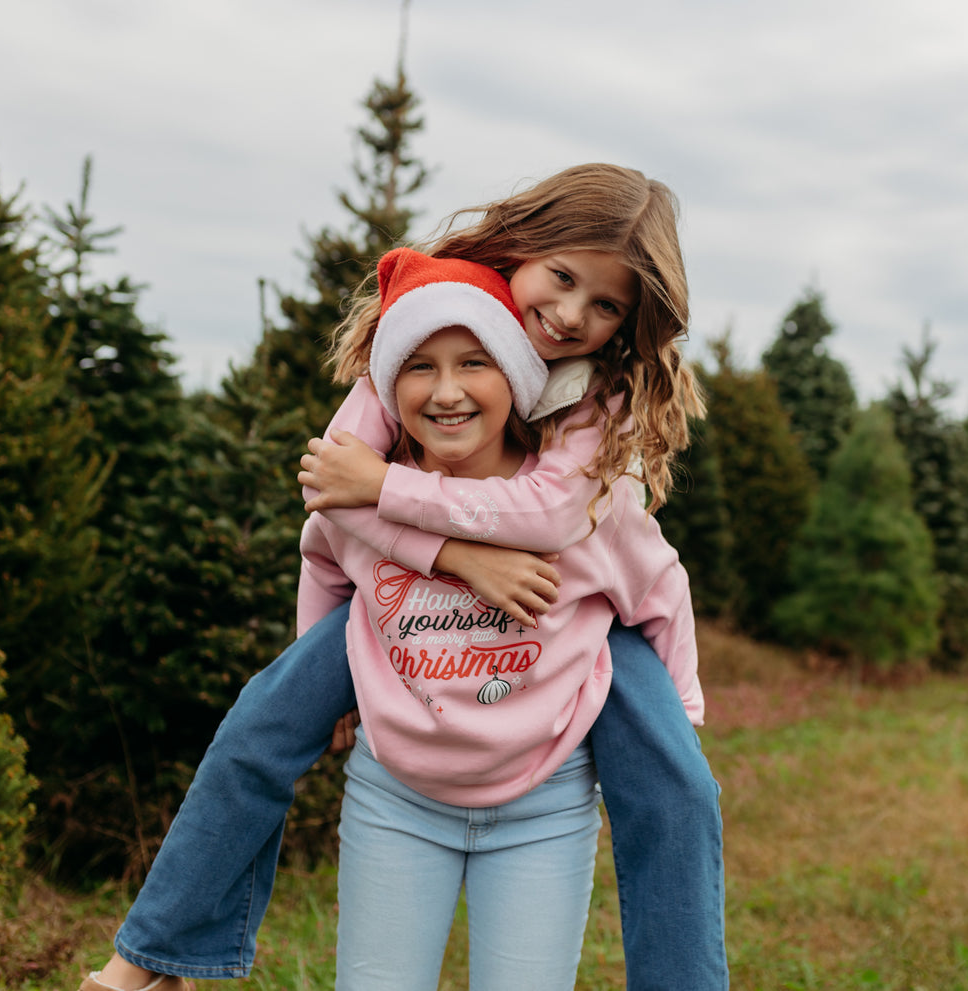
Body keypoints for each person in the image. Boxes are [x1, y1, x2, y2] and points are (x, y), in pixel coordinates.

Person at [80, 164, 727, 991]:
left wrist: (388, 489)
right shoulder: (435, 320)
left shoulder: (602, 394)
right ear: (522, 247)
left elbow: (557, 522)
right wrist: (453, 555)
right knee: (259, 726)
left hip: (578, 583)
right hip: (397, 589)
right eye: (561, 279)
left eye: (606, 307)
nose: (570, 316)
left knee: (678, 785)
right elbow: (331, 492)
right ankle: (155, 958)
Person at [305, 250, 700, 989]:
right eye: (419, 366)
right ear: (390, 386)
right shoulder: (364, 503)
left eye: (475, 363)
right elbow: (321, 559)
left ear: (516, 378)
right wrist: (321, 684)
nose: (447, 390)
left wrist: (676, 722)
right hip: (395, 794)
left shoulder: (584, 503)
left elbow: (660, 589)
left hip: (544, 805)